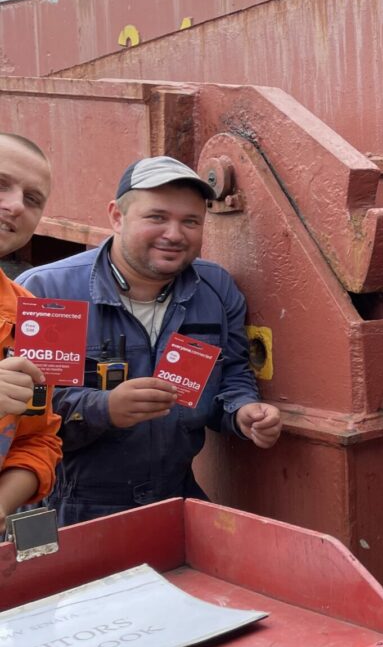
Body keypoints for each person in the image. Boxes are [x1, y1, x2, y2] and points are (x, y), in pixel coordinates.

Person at [18, 155, 282, 526]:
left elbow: (233, 373)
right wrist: (104, 407)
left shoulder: (216, 290)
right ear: (117, 216)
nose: (175, 234)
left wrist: (243, 411)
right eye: (157, 217)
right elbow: (27, 411)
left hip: (173, 496)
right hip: (68, 507)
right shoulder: (50, 291)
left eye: (190, 221)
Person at [0, 133, 63, 535]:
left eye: (33, 199)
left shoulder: (33, 315)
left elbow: (39, 440)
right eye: (1, 184)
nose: (16, 205)